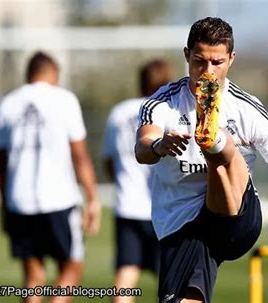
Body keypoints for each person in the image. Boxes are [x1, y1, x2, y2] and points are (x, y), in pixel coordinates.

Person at [135, 17, 268, 303]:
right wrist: (159, 145)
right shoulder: (161, 103)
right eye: (199, 62)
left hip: (237, 218)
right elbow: (142, 148)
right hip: (182, 224)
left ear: (231, 59)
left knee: (222, 146)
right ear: (186, 56)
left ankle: (214, 139)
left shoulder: (248, 109)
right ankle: (213, 141)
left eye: (217, 63)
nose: (208, 71)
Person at [0, 51, 101, 303]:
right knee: (72, 268)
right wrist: (92, 198)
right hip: (58, 200)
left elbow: (0, 163)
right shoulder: (64, 100)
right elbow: (80, 156)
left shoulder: (7, 103)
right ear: (53, 73)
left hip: (18, 201)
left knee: (32, 276)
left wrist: (3, 203)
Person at [102, 59, 174, 303]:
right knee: (171, 280)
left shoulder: (119, 113)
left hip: (127, 205)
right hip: (163, 207)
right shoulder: (167, 110)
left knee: (126, 273)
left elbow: (109, 161)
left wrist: (123, 182)